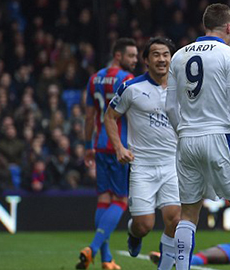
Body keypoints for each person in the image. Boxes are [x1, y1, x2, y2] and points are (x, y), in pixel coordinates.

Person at [165, 4, 230, 270]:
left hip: (186, 140)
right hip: (220, 136)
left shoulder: (178, 56)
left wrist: (184, 132)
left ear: (205, 25)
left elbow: (168, 107)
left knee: (188, 214)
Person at [104, 37, 181, 270]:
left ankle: (165, 266)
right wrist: (119, 147)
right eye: (156, 55)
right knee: (144, 224)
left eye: (166, 54)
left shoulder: (183, 89)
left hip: (173, 165)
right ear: (146, 60)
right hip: (143, 166)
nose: (161, 59)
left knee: (175, 220)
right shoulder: (132, 88)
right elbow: (109, 116)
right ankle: (133, 234)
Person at [77, 38, 138, 270]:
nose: (134, 60)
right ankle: (92, 248)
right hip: (120, 145)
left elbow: (90, 117)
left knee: (103, 200)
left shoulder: (94, 79)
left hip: (100, 144)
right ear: (118, 56)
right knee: (121, 201)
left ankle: (105, 259)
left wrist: (88, 145)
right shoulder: (127, 80)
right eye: (131, 56)